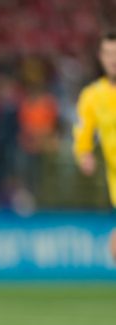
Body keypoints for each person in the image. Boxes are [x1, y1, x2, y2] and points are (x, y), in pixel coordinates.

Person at [73, 31, 116, 259]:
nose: (113, 58)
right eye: (108, 53)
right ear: (100, 57)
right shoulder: (92, 96)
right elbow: (83, 130)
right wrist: (84, 154)